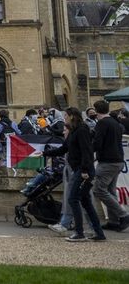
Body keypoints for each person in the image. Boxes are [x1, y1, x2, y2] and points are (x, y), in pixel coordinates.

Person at [44, 107, 106, 242]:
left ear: (72, 116)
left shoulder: (82, 130)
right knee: (85, 201)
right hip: (79, 169)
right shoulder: (73, 131)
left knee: (73, 199)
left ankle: (79, 232)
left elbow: (87, 151)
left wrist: (84, 170)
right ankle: (98, 233)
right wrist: (45, 153)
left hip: (83, 171)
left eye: (66, 115)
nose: (64, 117)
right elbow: (63, 149)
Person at [91, 100, 129, 232]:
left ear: (96, 111)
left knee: (99, 190)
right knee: (111, 191)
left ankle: (123, 215)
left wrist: (88, 152)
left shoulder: (102, 123)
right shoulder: (115, 123)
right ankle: (114, 221)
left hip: (107, 161)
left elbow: (98, 142)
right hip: (118, 160)